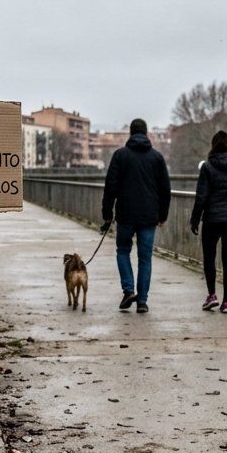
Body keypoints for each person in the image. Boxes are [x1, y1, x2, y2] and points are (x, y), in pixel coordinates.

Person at [101, 118, 171, 313]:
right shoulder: (156, 158)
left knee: (123, 250)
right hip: (149, 216)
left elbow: (110, 187)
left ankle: (128, 290)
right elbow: (165, 190)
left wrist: (107, 213)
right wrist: (162, 215)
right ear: (147, 133)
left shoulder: (120, 156)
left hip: (126, 214)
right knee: (145, 258)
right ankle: (142, 301)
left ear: (130, 134)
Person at [190, 131, 227, 313]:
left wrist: (195, 219)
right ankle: (226, 302)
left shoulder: (207, 167)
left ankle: (212, 296)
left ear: (213, 146)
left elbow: (201, 196)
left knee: (209, 258)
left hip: (212, 219)